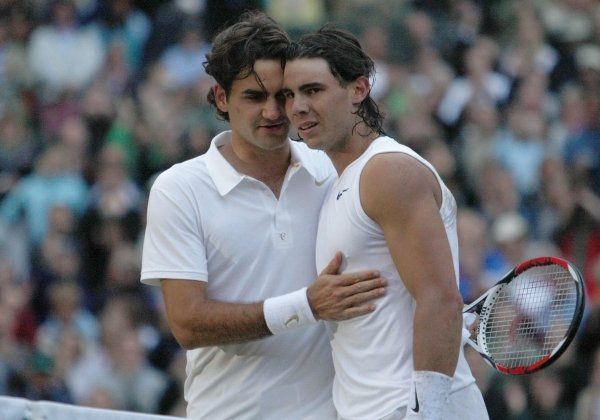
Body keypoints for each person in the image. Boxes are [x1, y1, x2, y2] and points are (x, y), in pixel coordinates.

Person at [140, 12, 387, 419]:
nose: (274, 112)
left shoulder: (331, 169)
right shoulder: (178, 188)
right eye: (254, 97)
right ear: (221, 98)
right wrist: (306, 305)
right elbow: (187, 323)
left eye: (283, 96)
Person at [283, 26, 489, 420]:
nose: (298, 107)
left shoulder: (388, 171)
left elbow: (441, 298)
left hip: (414, 410)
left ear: (359, 89)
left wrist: (425, 412)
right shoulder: (340, 182)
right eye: (291, 95)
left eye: (313, 90)